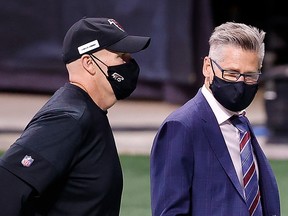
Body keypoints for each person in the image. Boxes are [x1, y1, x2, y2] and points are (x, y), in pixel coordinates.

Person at [0, 17, 150, 215]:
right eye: (121, 55)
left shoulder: (88, 111)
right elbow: (6, 187)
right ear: (88, 63)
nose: (129, 63)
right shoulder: (68, 119)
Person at [150, 21, 280, 215]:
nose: (240, 83)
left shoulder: (241, 124)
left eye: (250, 76)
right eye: (231, 73)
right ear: (207, 68)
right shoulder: (181, 127)